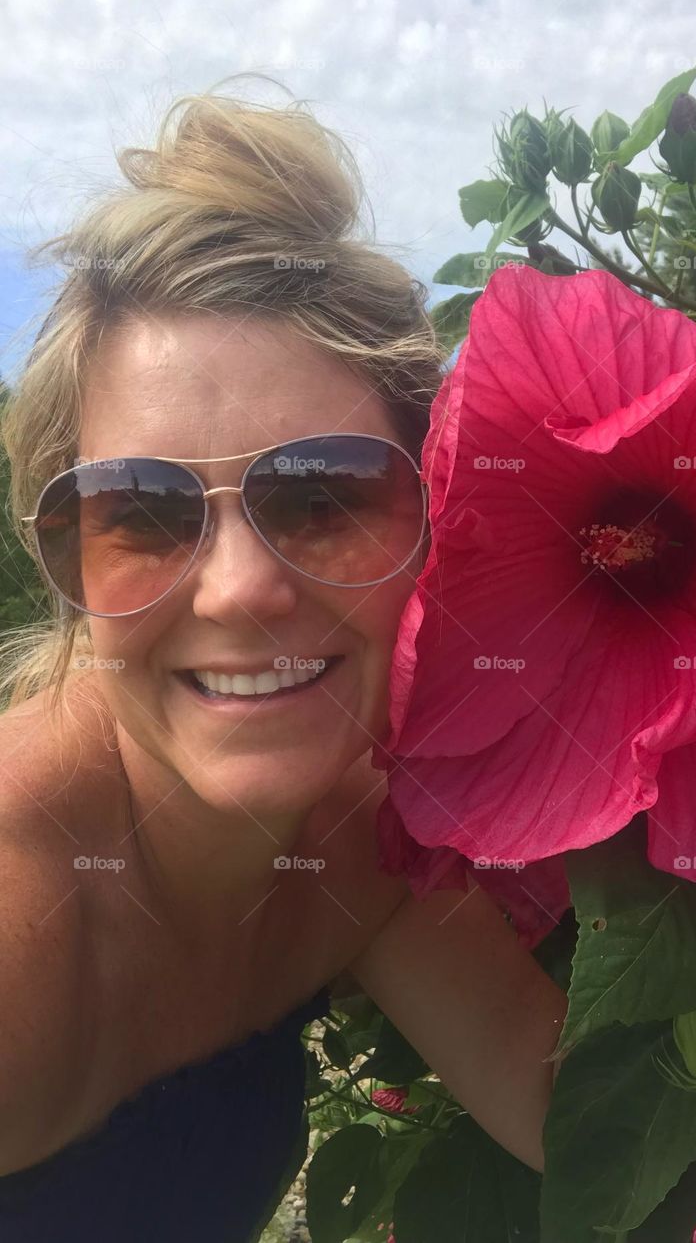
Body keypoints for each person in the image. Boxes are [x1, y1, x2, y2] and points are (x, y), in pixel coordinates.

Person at [0, 79, 569, 1241]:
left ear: (439, 516)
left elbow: (572, 1111)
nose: (240, 588)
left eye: (322, 499)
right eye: (142, 515)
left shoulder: (358, 835)